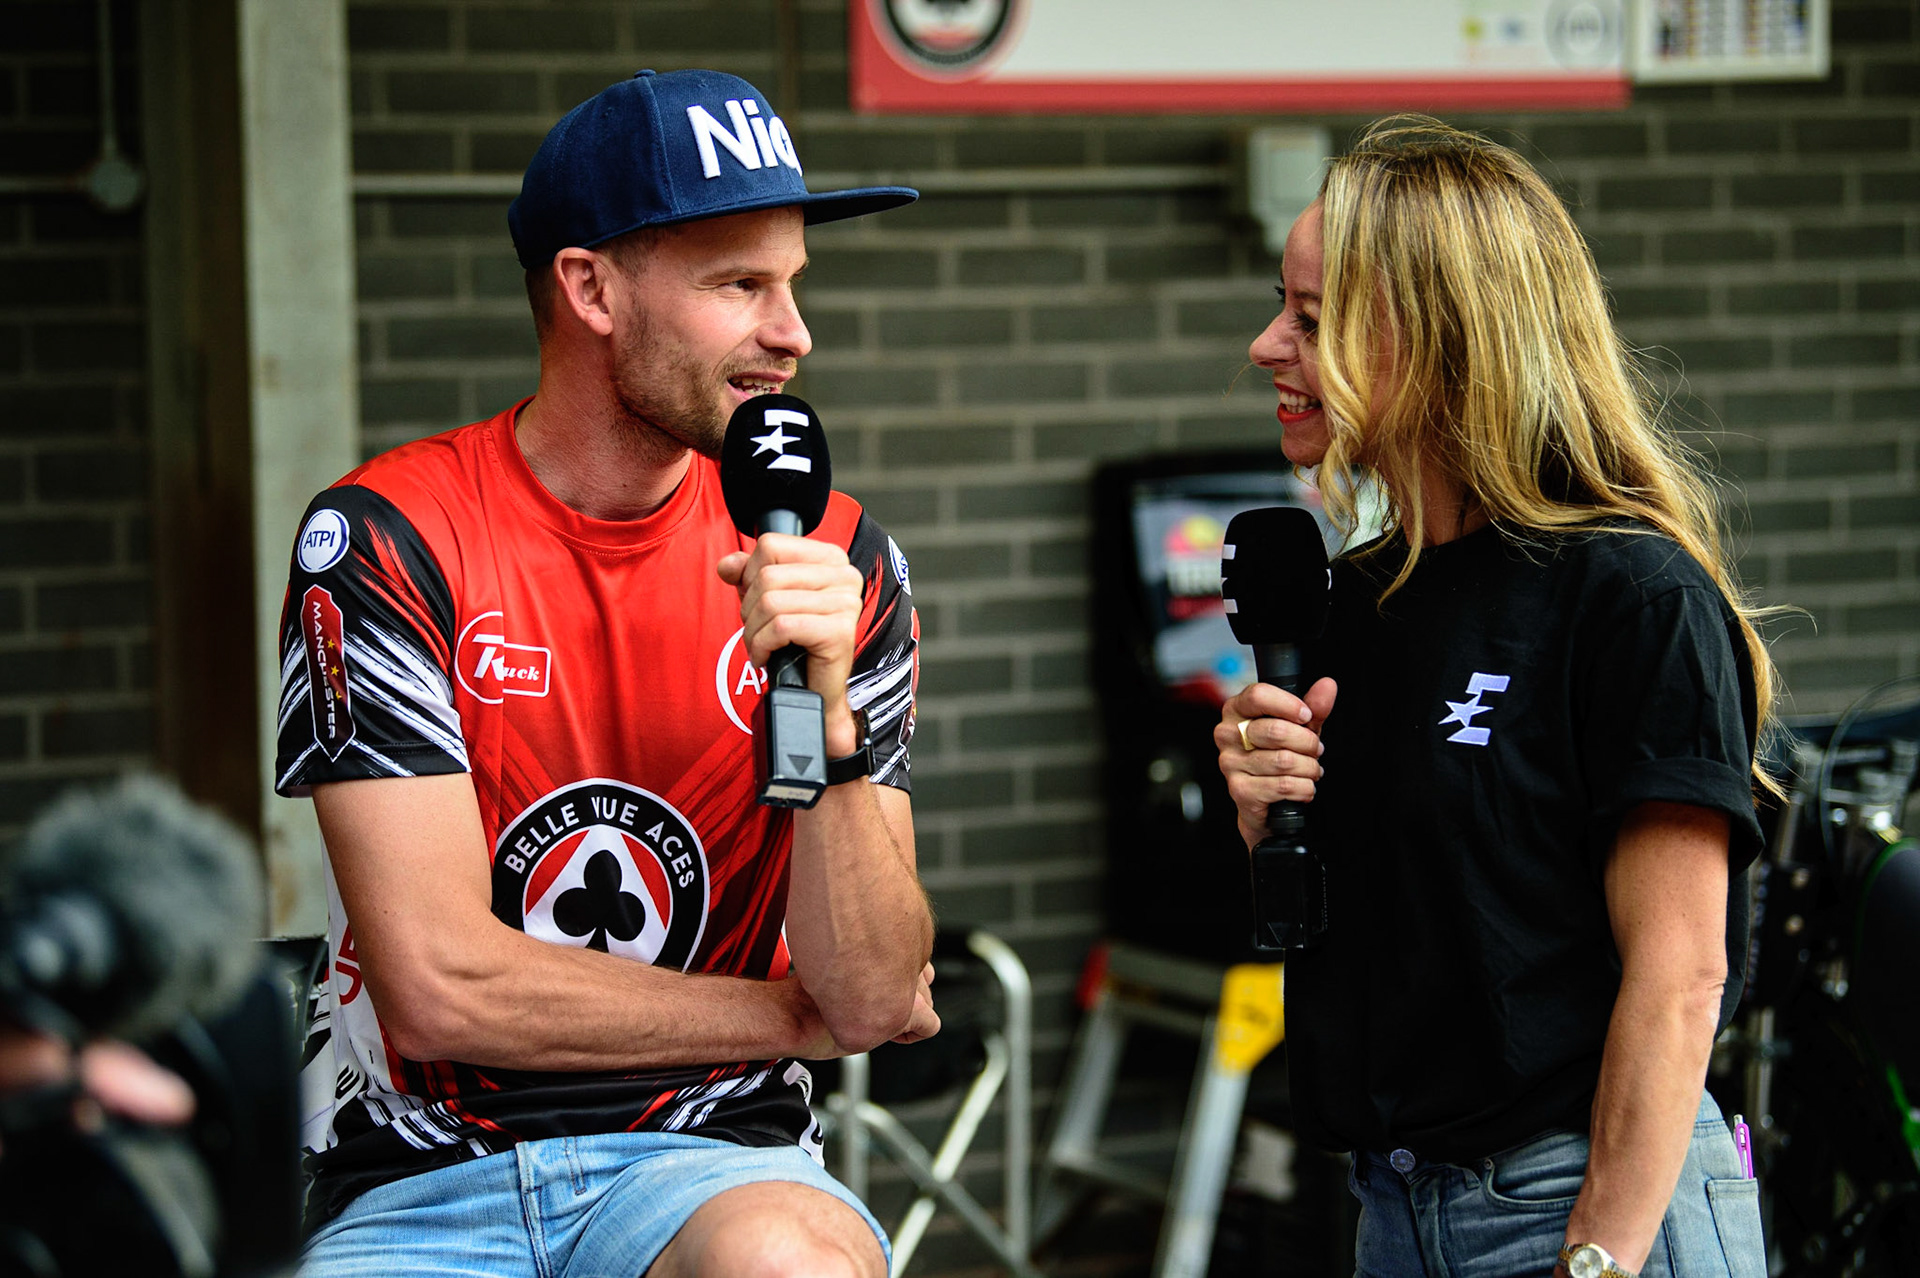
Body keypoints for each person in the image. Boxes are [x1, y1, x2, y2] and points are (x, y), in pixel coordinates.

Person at [275, 68, 937, 1278]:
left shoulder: (837, 556)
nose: (793, 331)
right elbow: (439, 987)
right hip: (418, 1182)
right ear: (590, 288)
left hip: (716, 1163)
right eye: (741, 285)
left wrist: (825, 700)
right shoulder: (388, 538)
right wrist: (791, 1016)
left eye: (791, 283)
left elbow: (879, 982)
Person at [1216, 117, 1773, 1278]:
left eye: (1313, 321)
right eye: (1283, 306)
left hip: (1582, 1209)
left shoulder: (1629, 595)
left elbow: (1683, 977)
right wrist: (1266, 816)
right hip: (1393, 1208)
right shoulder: (1344, 604)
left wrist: (1599, 1256)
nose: (1267, 344)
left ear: (1439, 340)